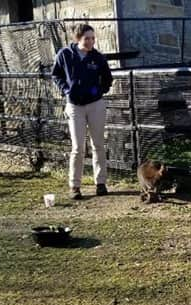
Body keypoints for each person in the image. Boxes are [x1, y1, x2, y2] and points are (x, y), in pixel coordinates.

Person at [51, 23, 113, 199]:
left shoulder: (98, 57)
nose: (91, 42)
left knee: (98, 144)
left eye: (93, 38)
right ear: (78, 38)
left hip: (95, 105)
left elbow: (108, 78)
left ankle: (100, 183)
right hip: (75, 106)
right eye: (87, 38)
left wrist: (99, 91)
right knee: (78, 147)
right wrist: (66, 90)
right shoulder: (65, 55)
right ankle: (75, 186)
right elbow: (56, 75)